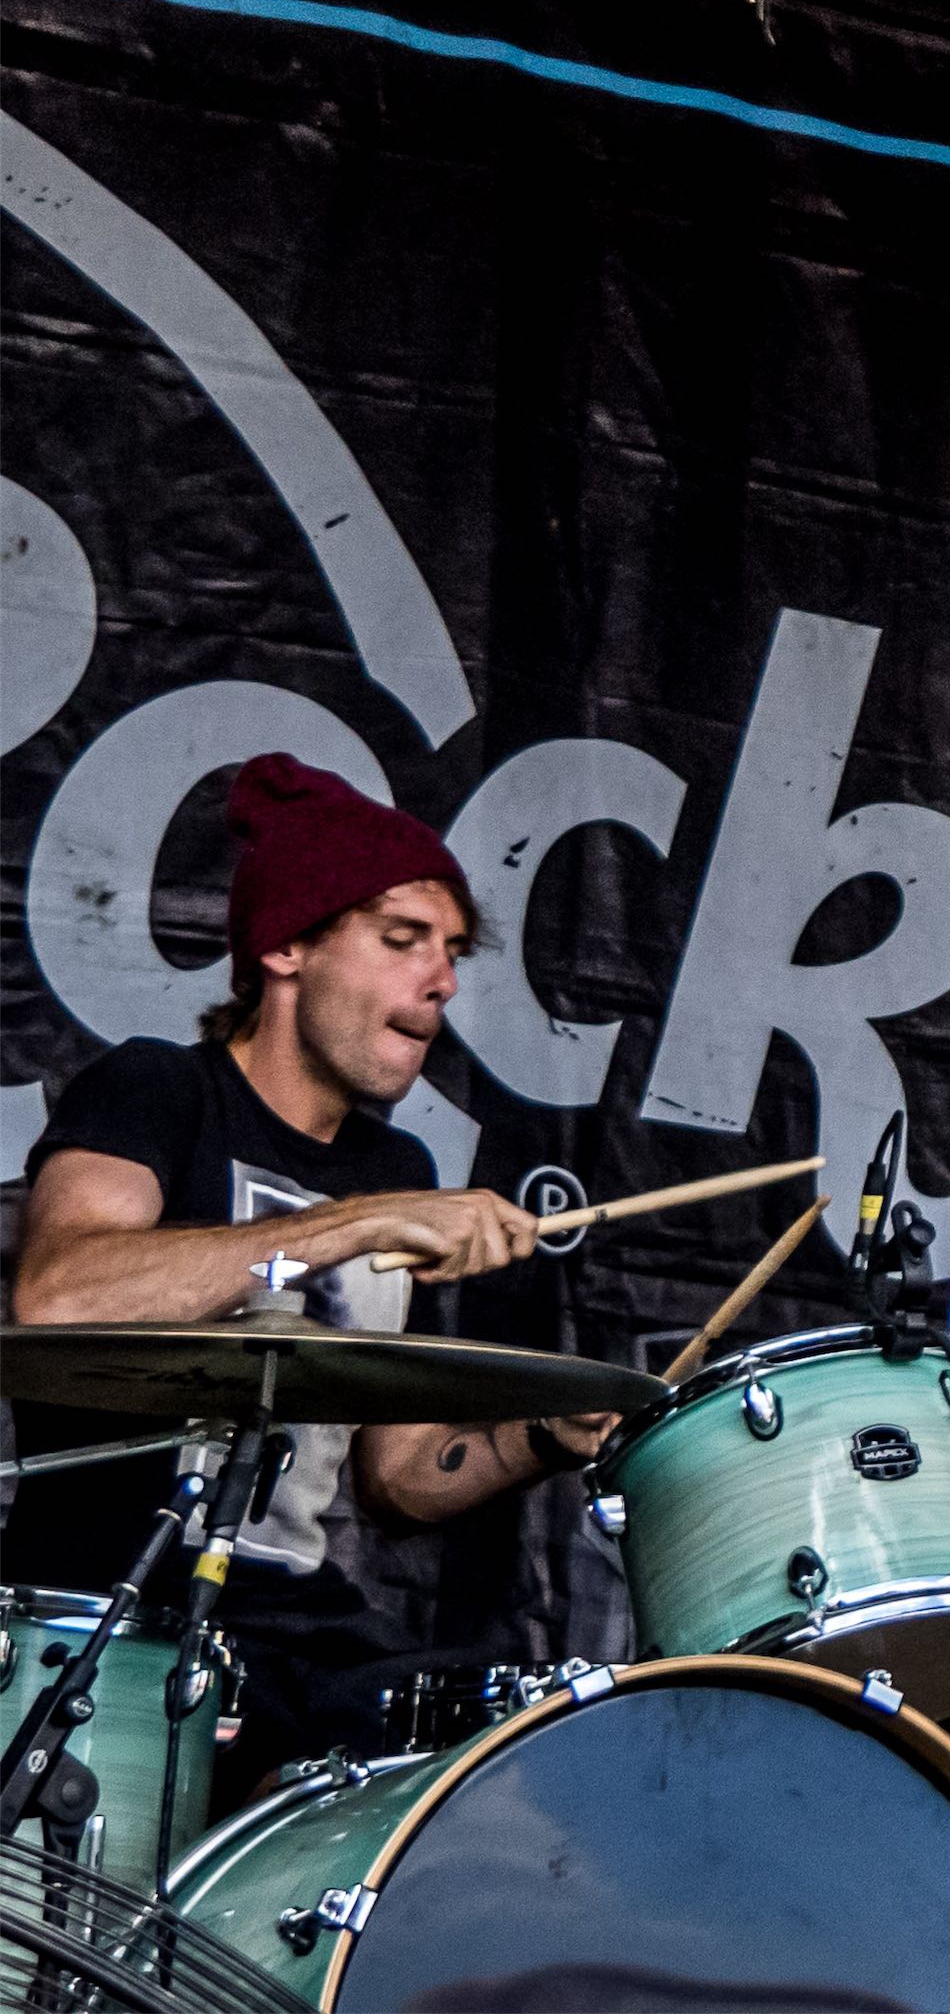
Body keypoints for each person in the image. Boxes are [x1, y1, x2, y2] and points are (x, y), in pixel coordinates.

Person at [6, 754, 618, 1787]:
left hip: (292, 1626)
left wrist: (540, 1435)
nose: (444, 978)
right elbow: (58, 1293)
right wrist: (361, 1222)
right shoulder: (160, 1088)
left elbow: (396, 1478)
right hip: (106, 1599)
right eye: (401, 939)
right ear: (287, 944)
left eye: (454, 949)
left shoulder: (394, 1164)